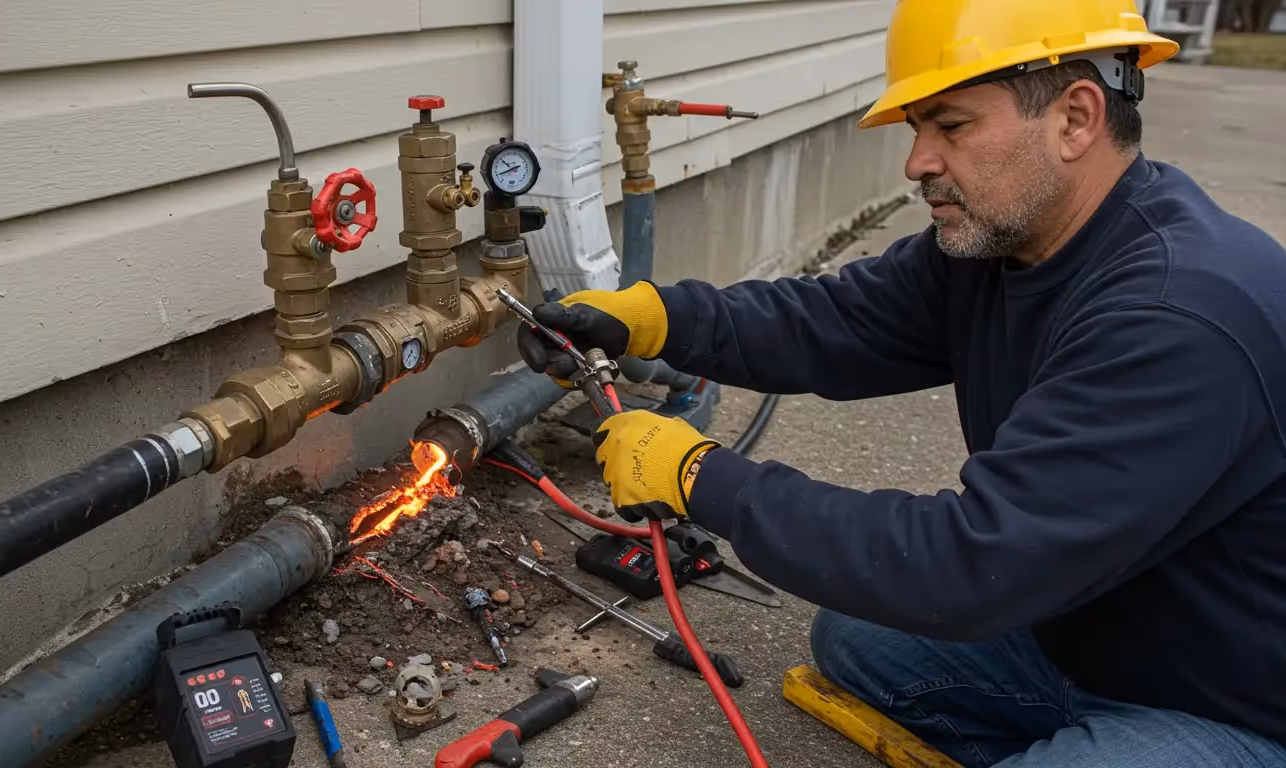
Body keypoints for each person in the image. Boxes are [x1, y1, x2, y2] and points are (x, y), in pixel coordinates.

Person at [516, 1, 1286, 765]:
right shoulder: (1009, 246)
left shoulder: (1177, 316)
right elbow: (836, 320)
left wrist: (701, 477)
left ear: (1075, 118)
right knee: (859, 638)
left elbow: (970, 564)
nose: (917, 161)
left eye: (950, 126)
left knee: (935, 599)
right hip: (1094, 616)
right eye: (918, 128)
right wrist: (657, 320)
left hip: (1231, 698)